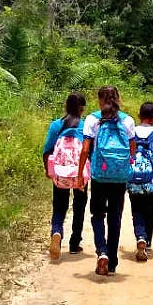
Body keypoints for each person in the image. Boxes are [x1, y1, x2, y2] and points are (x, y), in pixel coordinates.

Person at [77, 86, 137, 276]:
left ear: (99, 100)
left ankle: (102, 251)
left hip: (99, 176)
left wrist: (80, 174)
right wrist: (121, 165)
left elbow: (85, 150)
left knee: (97, 215)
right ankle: (112, 262)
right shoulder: (127, 120)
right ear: (119, 98)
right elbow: (132, 150)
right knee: (115, 217)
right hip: (119, 177)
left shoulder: (93, 119)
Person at [42, 91, 89, 260]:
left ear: (66, 106)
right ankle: (75, 243)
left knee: (59, 206)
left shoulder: (56, 125)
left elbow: (47, 150)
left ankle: (56, 232)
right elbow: (89, 150)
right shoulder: (85, 126)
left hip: (60, 172)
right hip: (79, 173)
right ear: (82, 108)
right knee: (79, 205)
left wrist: (48, 170)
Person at [128, 101, 153, 263]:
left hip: (132, 176)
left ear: (139, 115)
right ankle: (148, 242)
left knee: (136, 209)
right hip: (151, 178)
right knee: (149, 208)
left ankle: (140, 236)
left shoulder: (131, 132)